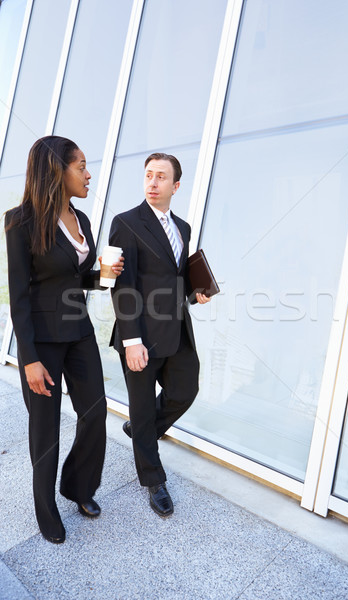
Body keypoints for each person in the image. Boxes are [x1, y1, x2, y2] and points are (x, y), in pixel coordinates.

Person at [5, 136, 124, 544]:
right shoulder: (19, 222)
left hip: (79, 333)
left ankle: (77, 487)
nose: (88, 174)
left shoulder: (82, 220)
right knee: (46, 427)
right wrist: (29, 359)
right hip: (42, 343)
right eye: (82, 166)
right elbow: (19, 297)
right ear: (57, 170)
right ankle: (46, 509)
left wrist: (104, 275)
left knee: (95, 414)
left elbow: (77, 278)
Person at [109, 152, 210, 517]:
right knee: (141, 403)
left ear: (176, 186)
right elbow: (123, 286)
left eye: (161, 177)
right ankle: (153, 479)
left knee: (186, 390)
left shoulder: (182, 228)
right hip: (141, 334)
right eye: (148, 175)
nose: (152, 182)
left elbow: (174, 279)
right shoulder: (126, 223)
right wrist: (131, 340)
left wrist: (194, 294)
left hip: (177, 328)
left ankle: (142, 428)